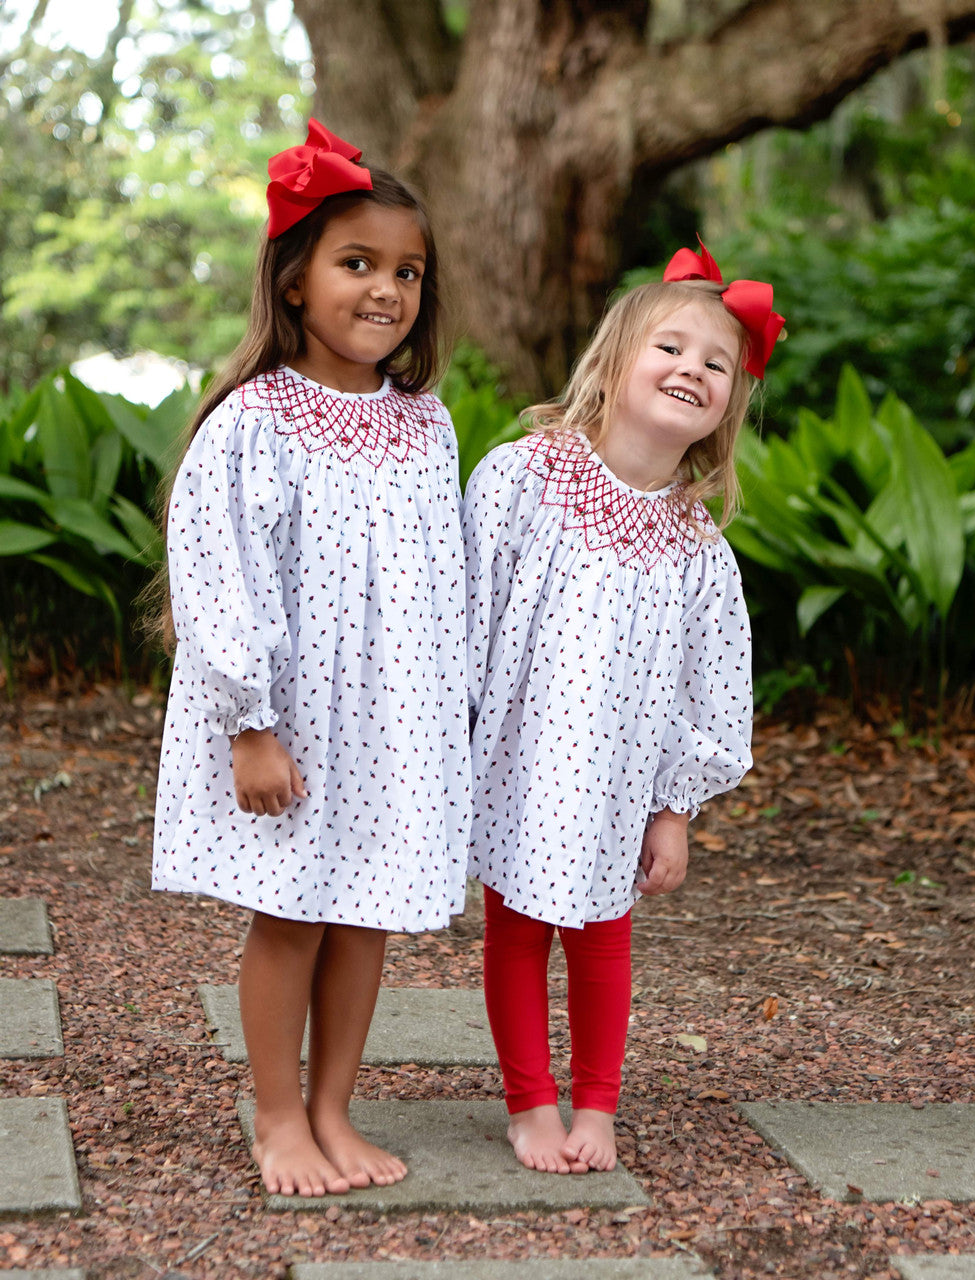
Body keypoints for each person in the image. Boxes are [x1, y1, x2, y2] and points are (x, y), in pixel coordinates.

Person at [152, 120, 469, 1199]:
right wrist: (249, 719)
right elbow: (217, 573)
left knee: (368, 908)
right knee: (291, 912)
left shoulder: (427, 425)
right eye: (358, 263)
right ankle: (277, 1114)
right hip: (294, 715)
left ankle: (335, 1105)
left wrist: (452, 711)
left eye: (407, 271)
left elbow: (444, 577)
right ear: (295, 281)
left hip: (394, 713)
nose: (386, 289)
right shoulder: (253, 422)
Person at [462, 239, 783, 1175]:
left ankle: (596, 1105)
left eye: (716, 364)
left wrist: (674, 810)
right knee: (515, 930)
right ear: (612, 363)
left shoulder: (697, 552)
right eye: (671, 349)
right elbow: (466, 624)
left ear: (728, 404)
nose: (693, 370)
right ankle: (529, 1102)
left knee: (603, 939)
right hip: (517, 759)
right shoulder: (521, 481)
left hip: (617, 782)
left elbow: (710, 694)